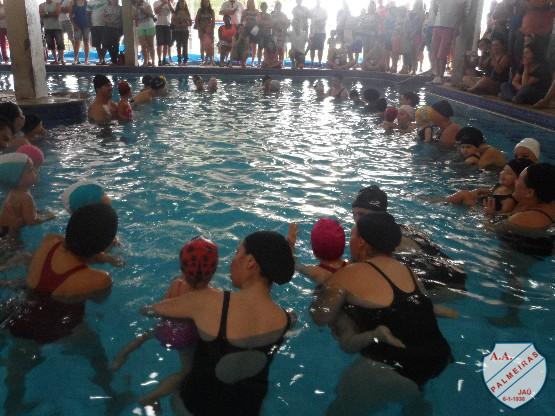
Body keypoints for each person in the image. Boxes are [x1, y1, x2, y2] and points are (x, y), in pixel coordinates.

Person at [311, 213, 452, 415]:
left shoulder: (350, 274)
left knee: (340, 409)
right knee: (410, 386)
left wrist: (321, 288)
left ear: (362, 243)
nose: (349, 243)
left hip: (394, 366)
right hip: (438, 356)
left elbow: (320, 316)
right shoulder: (408, 271)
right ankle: (415, 400)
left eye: (351, 236)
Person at [143, 231, 295, 415]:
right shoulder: (288, 319)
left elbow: (150, 310)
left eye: (237, 253)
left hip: (193, 409)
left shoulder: (208, 302)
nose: (231, 261)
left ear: (250, 262)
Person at [111, 237, 219, 406]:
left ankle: (120, 357)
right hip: (185, 338)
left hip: (164, 328)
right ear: (214, 270)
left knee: (144, 336)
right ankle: (151, 396)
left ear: (182, 267)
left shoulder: (177, 284)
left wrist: (147, 310)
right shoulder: (211, 297)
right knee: (187, 371)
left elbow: (164, 306)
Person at [352, 186, 467, 293]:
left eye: (362, 214)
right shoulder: (408, 229)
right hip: (457, 277)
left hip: (439, 288)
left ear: (381, 215)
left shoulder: (378, 241)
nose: (356, 220)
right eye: (354, 214)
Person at [0, 153, 55, 239]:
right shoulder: (25, 197)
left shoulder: (13, 192)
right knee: (16, 245)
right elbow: (31, 221)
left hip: (4, 228)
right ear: (17, 178)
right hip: (10, 234)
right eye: (30, 170)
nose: (35, 171)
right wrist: (47, 217)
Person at [448, 158, 533, 213]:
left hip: (480, 211)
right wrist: (482, 191)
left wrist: (491, 212)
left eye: (509, 173)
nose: (502, 174)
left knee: (463, 194)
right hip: (479, 205)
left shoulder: (509, 200)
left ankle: (443, 202)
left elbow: (501, 215)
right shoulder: (500, 186)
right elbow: (492, 193)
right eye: (503, 170)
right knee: (464, 193)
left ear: (518, 180)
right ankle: (443, 201)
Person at [502, 163, 555, 229]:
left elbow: (494, 230)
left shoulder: (519, 220)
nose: (515, 181)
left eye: (518, 178)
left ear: (529, 193)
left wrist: (490, 214)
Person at [430, 0, 467, 84]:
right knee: (434, 52)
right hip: (437, 25)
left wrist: (456, 26)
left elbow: (461, 12)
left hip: (449, 26)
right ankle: (437, 75)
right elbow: (435, 7)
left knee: (442, 53)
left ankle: (440, 76)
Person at [39, 0, 65, 65]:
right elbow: (41, 15)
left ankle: (62, 60)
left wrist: (46, 13)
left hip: (57, 27)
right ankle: (56, 60)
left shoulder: (57, 4)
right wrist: (51, 13)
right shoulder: (41, 5)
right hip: (47, 28)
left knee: (60, 44)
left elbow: (57, 14)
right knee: (50, 45)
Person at [132, 0, 156, 66]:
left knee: (150, 44)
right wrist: (136, 10)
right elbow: (134, 17)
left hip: (149, 26)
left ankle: (153, 61)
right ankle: (145, 61)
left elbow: (151, 14)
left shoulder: (147, 4)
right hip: (140, 27)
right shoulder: (134, 6)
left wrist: (143, 9)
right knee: (143, 45)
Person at [154, 0, 175, 66]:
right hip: (159, 25)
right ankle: (159, 60)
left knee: (166, 43)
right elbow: (156, 12)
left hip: (167, 25)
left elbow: (173, 12)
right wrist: (163, 3)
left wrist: (169, 4)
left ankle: (164, 59)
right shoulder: (156, 2)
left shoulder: (169, 3)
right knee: (159, 44)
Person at [171, 0, 192, 65]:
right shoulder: (175, 13)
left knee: (185, 45)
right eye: (181, 4)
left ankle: (185, 59)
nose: (182, 5)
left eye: (183, 4)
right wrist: (178, 23)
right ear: (178, 4)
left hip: (185, 31)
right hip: (177, 31)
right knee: (178, 45)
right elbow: (172, 22)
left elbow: (190, 23)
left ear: (185, 5)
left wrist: (185, 23)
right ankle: (179, 59)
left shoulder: (187, 12)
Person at [195, 0, 215, 65]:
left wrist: (211, 30)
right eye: (204, 2)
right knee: (203, 45)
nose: (206, 3)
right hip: (202, 30)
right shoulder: (200, 11)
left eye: (207, 2)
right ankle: (203, 60)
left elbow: (213, 21)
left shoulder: (211, 11)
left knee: (210, 45)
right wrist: (199, 29)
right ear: (202, 3)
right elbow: (196, 20)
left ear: (209, 3)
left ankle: (211, 60)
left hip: (209, 31)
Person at [87, 0, 108, 65]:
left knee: (105, 43)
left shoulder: (107, 1)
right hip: (94, 25)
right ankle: (101, 59)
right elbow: (88, 14)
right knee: (97, 44)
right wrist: (90, 25)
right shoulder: (90, 2)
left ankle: (103, 59)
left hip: (105, 25)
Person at [70, 0, 90, 64]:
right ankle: (75, 59)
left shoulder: (87, 3)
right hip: (77, 26)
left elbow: (90, 14)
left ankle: (86, 60)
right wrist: (74, 25)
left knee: (86, 42)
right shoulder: (73, 3)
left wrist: (90, 24)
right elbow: (70, 16)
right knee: (77, 43)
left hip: (86, 26)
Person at [307, 0, 327, 67]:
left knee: (320, 48)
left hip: (321, 32)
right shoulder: (311, 10)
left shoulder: (324, 10)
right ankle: (312, 62)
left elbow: (325, 18)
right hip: (313, 32)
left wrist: (319, 21)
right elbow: (307, 16)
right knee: (312, 49)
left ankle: (319, 62)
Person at [103, 0, 122, 65]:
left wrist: (114, 22)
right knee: (108, 44)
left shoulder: (120, 8)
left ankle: (115, 61)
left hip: (117, 28)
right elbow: (104, 17)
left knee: (116, 44)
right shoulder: (106, 7)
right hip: (108, 28)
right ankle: (113, 59)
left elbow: (122, 19)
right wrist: (109, 21)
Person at [241, 0, 258, 66]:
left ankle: (252, 62)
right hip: (246, 29)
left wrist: (256, 27)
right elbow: (242, 20)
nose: (250, 3)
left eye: (251, 2)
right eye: (249, 2)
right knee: (246, 45)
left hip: (255, 29)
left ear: (253, 3)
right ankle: (244, 61)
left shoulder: (256, 11)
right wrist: (243, 26)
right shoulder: (245, 11)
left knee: (254, 45)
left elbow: (258, 21)